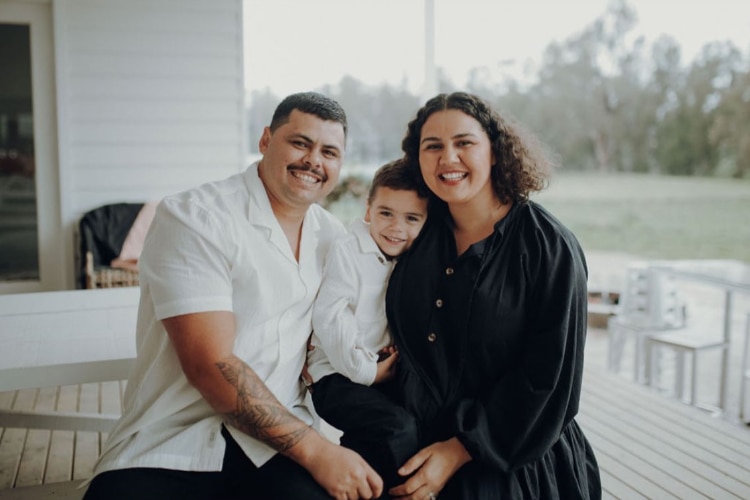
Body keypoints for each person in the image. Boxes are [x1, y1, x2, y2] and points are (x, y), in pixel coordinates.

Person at [82, 92, 384, 500]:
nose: (314, 160)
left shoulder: (335, 239)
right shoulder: (195, 217)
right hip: (173, 441)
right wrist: (318, 452)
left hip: (275, 446)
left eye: (329, 151)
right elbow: (212, 365)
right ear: (265, 141)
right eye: (300, 142)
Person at [382, 92, 602, 499]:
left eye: (464, 143)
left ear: (496, 152)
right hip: (413, 458)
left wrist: (461, 449)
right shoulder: (411, 233)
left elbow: (549, 380)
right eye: (433, 146)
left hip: (514, 465)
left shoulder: (550, 249)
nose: (448, 157)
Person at [307, 159, 429, 493]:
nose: (396, 228)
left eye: (411, 218)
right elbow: (331, 318)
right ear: (368, 210)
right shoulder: (349, 251)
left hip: (377, 368)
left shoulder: (408, 258)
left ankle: (357, 487)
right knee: (396, 428)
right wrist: (368, 372)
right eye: (386, 213)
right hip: (336, 376)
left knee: (391, 431)